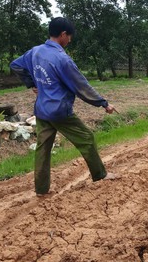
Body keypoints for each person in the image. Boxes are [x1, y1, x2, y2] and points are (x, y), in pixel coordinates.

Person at [10, 17, 118, 196]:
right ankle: (100, 176)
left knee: (42, 150)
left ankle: (41, 190)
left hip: (42, 110)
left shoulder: (35, 52)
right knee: (87, 138)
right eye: (69, 36)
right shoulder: (62, 59)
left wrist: (32, 83)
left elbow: (16, 65)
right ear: (63, 35)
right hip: (59, 112)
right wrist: (103, 103)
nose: (70, 40)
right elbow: (81, 86)